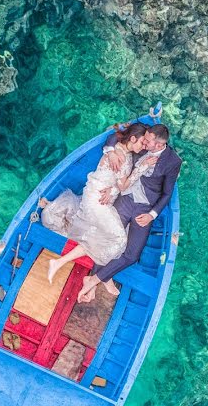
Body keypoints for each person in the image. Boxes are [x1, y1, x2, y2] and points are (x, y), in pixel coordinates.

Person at [77, 123, 181, 302]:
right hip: (125, 197)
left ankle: (94, 279)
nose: (143, 143)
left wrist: (152, 215)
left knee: (132, 255)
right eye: (143, 139)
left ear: (158, 145)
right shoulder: (140, 140)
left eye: (147, 141)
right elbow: (117, 136)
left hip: (145, 207)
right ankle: (95, 281)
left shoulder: (173, 162)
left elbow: (166, 194)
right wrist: (110, 151)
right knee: (106, 238)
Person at [40, 123, 150, 284]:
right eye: (142, 142)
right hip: (96, 201)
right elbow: (124, 185)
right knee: (119, 240)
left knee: (102, 234)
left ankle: (59, 263)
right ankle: (98, 276)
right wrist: (142, 168)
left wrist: (112, 190)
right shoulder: (119, 156)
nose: (144, 146)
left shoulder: (121, 150)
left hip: (99, 197)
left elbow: (113, 137)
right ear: (133, 138)